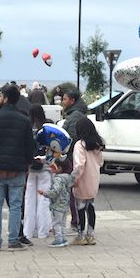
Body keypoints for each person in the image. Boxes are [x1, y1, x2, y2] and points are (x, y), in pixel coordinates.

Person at [0, 84, 36, 251]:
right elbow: (29, 146)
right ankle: (13, 240)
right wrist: (28, 163)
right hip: (17, 169)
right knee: (15, 204)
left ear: (5, 98)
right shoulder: (24, 120)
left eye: (0, 96)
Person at [71, 117, 105, 246]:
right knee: (90, 207)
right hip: (94, 180)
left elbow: (79, 165)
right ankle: (90, 235)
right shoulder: (97, 144)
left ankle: (80, 236)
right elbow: (101, 162)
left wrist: (74, 179)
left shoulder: (80, 145)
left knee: (80, 207)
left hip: (82, 181)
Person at [22, 105, 52, 242]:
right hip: (45, 168)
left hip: (30, 168)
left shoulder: (27, 127)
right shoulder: (48, 126)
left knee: (29, 200)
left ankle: (28, 231)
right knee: (44, 200)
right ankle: (43, 231)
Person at [60, 89, 88, 231]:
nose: (62, 102)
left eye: (64, 99)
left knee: (73, 192)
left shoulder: (74, 116)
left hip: (72, 158)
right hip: (73, 157)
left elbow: (70, 136)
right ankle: (78, 221)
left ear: (71, 100)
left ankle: (76, 221)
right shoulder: (75, 114)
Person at [39, 158, 75, 247]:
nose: (51, 167)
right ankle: (63, 238)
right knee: (62, 223)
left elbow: (55, 192)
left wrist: (44, 193)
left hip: (57, 205)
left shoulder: (58, 179)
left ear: (59, 168)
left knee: (56, 223)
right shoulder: (69, 178)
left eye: (53, 166)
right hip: (65, 204)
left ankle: (58, 240)